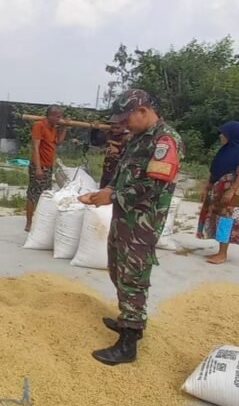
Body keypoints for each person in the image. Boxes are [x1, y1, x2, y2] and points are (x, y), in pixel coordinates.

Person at [78, 89, 182, 366]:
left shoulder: (165, 140)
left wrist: (112, 196)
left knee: (133, 277)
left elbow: (154, 185)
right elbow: (123, 175)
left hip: (142, 223)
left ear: (143, 111)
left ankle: (129, 342)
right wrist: (107, 190)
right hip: (125, 217)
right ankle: (129, 319)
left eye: (127, 118)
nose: (123, 124)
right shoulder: (137, 139)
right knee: (117, 270)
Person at [196, 121, 239, 264]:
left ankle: (222, 254)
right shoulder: (225, 151)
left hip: (235, 194)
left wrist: (231, 191)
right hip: (221, 191)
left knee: (226, 221)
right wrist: (206, 187)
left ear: (233, 135)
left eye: (224, 134)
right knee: (218, 219)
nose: (221, 137)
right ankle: (220, 251)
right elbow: (214, 171)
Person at [25, 105, 67, 231]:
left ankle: (40, 220)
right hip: (39, 165)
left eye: (61, 117)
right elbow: (35, 148)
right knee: (33, 194)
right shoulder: (39, 125)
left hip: (48, 166)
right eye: (58, 117)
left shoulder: (53, 128)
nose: (60, 119)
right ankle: (29, 222)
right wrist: (38, 168)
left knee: (45, 194)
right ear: (51, 115)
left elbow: (58, 141)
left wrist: (65, 127)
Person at [99, 122, 130, 189]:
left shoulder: (128, 137)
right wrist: (95, 130)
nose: (115, 130)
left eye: (117, 128)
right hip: (107, 167)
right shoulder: (109, 134)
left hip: (119, 168)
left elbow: (130, 151)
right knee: (104, 185)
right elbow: (96, 141)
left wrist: (119, 151)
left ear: (124, 125)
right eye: (113, 127)